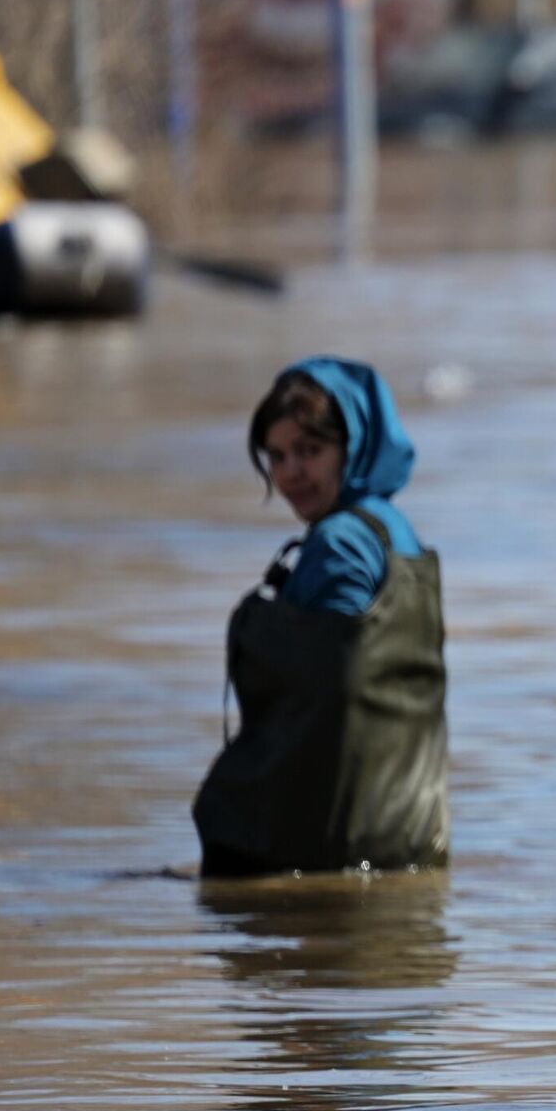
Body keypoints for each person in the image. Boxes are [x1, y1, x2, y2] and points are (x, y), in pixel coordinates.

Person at [194, 358, 447, 877]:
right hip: (410, 838)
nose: (289, 474)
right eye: (277, 456)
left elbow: (330, 704)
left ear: (349, 448)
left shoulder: (340, 542)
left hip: (324, 852)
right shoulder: (396, 531)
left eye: (309, 452)